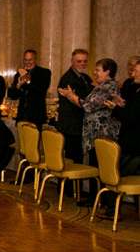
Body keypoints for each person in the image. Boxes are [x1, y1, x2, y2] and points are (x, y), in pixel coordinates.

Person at [59, 58, 121, 206]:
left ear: (107, 72)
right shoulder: (102, 86)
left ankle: (99, 199)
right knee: (95, 165)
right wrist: (72, 96)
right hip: (96, 135)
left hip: (102, 134)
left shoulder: (108, 87)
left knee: (100, 167)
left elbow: (88, 105)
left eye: (97, 70)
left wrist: (71, 96)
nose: (94, 73)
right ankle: (95, 197)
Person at [99, 61, 140, 219]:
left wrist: (115, 109)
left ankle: (112, 211)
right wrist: (123, 105)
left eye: (136, 71)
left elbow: (131, 118)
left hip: (133, 144)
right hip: (133, 142)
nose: (132, 74)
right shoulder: (135, 89)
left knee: (114, 173)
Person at [57, 49, 94, 165]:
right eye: (79, 61)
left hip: (79, 127)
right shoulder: (68, 79)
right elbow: (78, 97)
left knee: (78, 160)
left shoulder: (85, 78)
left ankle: (76, 183)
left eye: (85, 61)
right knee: (72, 161)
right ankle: (69, 183)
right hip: (71, 127)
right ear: (72, 62)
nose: (82, 64)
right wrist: (92, 87)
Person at [8, 49, 51, 130]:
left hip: (36, 116)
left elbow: (41, 91)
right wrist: (18, 85)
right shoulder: (18, 75)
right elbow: (13, 96)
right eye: (26, 60)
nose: (28, 62)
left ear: (36, 60)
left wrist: (28, 81)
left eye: (30, 60)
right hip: (22, 116)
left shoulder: (44, 73)